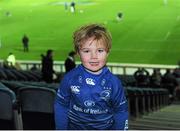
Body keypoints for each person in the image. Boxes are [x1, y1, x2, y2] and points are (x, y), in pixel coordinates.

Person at [54, 23, 128, 130]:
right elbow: (61, 105)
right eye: (87, 51)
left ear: (108, 52)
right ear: (78, 53)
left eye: (100, 50)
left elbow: (121, 111)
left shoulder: (114, 83)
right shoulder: (69, 78)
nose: (94, 57)